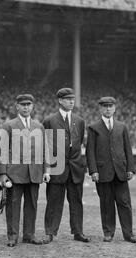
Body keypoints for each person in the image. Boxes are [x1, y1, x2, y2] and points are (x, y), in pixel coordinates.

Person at [0, 94, 50, 247]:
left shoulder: (38, 126)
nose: (26, 107)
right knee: (13, 206)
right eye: (23, 104)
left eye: (29, 104)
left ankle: (29, 234)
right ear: (17, 107)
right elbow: (3, 150)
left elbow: (44, 150)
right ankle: (13, 236)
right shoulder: (9, 125)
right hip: (15, 173)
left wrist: (46, 170)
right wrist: (2, 173)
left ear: (32, 107)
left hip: (34, 172)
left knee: (32, 204)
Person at [86, 97, 136, 243]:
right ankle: (108, 232)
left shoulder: (122, 127)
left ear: (115, 108)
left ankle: (129, 234)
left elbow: (128, 149)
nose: (108, 109)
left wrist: (130, 168)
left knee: (125, 203)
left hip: (120, 172)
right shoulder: (93, 127)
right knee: (106, 203)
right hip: (103, 172)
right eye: (105, 106)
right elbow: (90, 151)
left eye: (110, 106)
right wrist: (93, 171)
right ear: (100, 109)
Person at [42, 88, 90, 243]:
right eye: (68, 99)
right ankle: (50, 232)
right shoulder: (50, 120)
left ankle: (78, 231)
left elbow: (79, 143)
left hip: (75, 167)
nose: (71, 102)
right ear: (60, 100)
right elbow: (46, 146)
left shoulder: (80, 121)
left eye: (73, 99)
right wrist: (48, 167)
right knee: (54, 202)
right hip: (57, 167)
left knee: (76, 201)